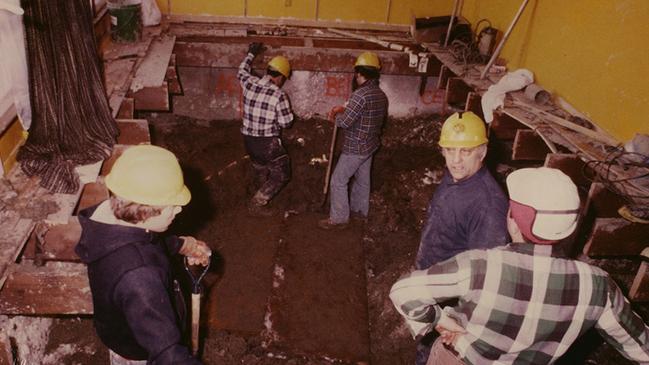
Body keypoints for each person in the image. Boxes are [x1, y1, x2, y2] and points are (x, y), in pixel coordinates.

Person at [391, 167, 649, 365]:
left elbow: (404, 292)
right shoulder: (597, 286)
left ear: (513, 220)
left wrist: (439, 319)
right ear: (569, 230)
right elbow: (642, 349)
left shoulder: (480, 266)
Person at [75, 145, 211, 365]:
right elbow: (167, 354)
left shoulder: (112, 223)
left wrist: (182, 245)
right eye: (172, 206)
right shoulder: (140, 276)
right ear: (147, 210)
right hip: (141, 351)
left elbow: (146, 242)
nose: (178, 210)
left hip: (121, 330)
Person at [413, 111, 510, 364]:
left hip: (451, 300)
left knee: (432, 354)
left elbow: (484, 277)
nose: (455, 160)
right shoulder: (458, 176)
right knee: (423, 346)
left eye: (465, 152)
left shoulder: (488, 205)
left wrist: (456, 320)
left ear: (483, 152)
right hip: (431, 285)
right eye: (449, 150)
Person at [318, 51, 389, 230]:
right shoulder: (380, 95)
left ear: (359, 73)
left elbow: (346, 122)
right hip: (370, 145)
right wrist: (344, 109)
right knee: (363, 180)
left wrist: (335, 117)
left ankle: (339, 218)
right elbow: (365, 114)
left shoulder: (360, 95)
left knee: (338, 180)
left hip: (355, 147)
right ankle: (359, 211)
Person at [237, 42, 294, 216]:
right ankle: (257, 203)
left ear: (268, 72)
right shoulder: (279, 95)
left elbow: (241, 71)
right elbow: (286, 123)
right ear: (281, 77)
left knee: (261, 168)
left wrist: (250, 54)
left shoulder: (249, 83)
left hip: (249, 141)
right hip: (267, 144)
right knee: (282, 173)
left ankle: (258, 189)